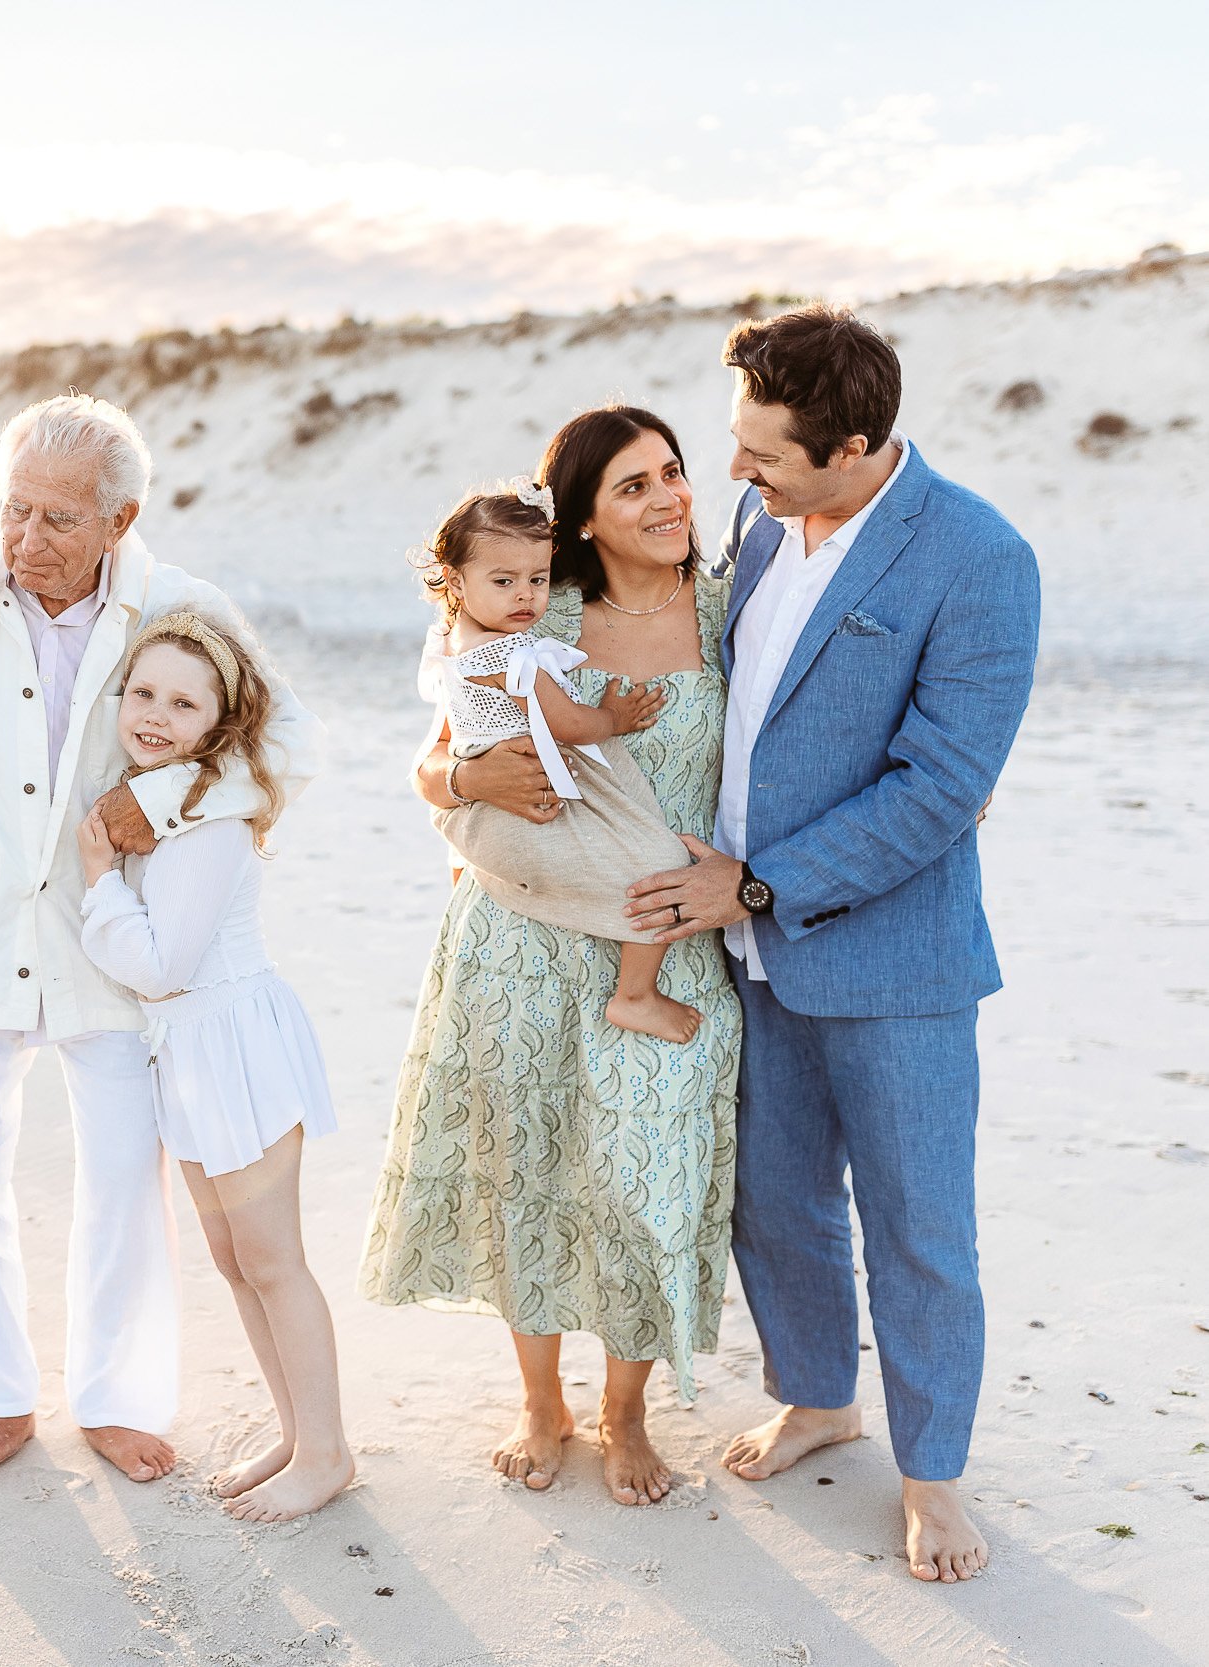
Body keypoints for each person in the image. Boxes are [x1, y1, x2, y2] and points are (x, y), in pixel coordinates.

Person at [622, 307, 1040, 1582]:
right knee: (777, 1201)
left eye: (765, 456)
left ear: (856, 445)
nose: (734, 477)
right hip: (745, 948)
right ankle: (817, 1397)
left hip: (892, 958)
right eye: (735, 446)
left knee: (919, 1226)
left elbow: (939, 783)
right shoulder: (756, 520)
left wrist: (754, 888)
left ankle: (933, 1474)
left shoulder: (978, 556)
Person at [0, 394, 325, 1490]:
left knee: (121, 1178)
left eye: (58, 519)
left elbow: (285, 744)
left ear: (120, 518)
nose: (26, 541)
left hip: (109, 943)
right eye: (13, 509)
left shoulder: (181, 602)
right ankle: (3, 1399)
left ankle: (113, 1398)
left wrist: (158, 801)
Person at [365, 406, 742, 1508]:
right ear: (579, 516)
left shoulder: (728, 613)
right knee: (525, 1160)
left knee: (645, 1176)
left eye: (672, 472)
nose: (669, 496)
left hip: (664, 929)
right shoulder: (531, 605)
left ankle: (625, 1411)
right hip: (521, 932)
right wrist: (465, 782)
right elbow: (432, 761)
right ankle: (542, 1401)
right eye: (632, 485)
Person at [74, 612, 346, 1522]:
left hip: (236, 1045)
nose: (155, 713)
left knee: (275, 1260)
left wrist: (98, 880)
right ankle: (297, 1431)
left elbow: (162, 966)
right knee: (234, 1260)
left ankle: (330, 1451)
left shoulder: (208, 815)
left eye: (183, 702)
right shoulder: (159, 795)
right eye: (142, 692)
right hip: (188, 1054)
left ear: (219, 722)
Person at [416, 484, 696, 1042]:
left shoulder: (457, 639)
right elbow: (567, 724)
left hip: (503, 804)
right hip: (514, 800)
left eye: (537, 580)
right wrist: (614, 716)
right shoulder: (507, 653)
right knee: (663, 866)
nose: (525, 596)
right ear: (454, 580)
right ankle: (634, 994)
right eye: (504, 582)